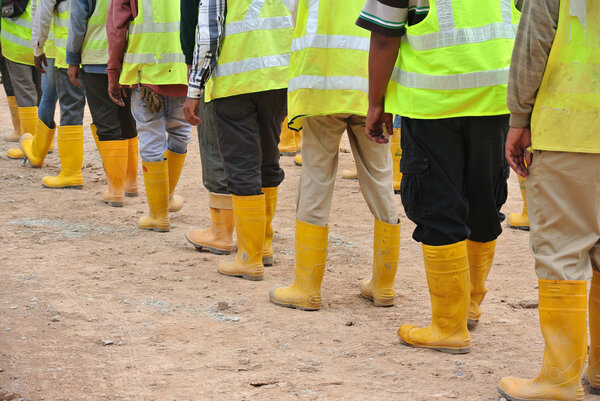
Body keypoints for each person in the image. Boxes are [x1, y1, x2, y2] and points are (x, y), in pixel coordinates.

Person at [358, 0, 521, 353]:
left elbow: (385, 37)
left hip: (433, 103)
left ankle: (449, 324)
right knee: (485, 201)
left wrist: (376, 101)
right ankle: (470, 306)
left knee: (436, 206)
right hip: (497, 98)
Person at [269, 0, 400, 311]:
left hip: (321, 81)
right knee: (380, 178)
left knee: (316, 175)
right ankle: (384, 285)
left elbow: (290, 13)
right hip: (371, 84)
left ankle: (307, 287)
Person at [497, 1, 599, 400]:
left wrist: (519, 117)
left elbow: (533, 43)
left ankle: (559, 379)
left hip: (572, 124)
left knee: (562, 251)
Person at [183, 0, 293, 280]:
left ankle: (249, 257)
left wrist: (195, 88)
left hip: (235, 82)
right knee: (268, 159)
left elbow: (209, 32)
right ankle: (263, 246)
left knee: (242, 166)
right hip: (278, 76)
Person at [107, 0, 191, 231]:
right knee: (180, 134)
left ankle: (158, 213)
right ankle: (167, 198)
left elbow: (117, 30)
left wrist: (114, 73)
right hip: (182, 71)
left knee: (151, 140)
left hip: (146, 74)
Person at [64, 0, 139, 207]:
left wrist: (72, 58)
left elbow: (77, 20)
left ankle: (115, 190)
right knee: (127, 117)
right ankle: (131, 184)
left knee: (105, 121)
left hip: (97, 57)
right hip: (130, 56)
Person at [179, 0, 234, 255]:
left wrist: (195, 83)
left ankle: (221, 232)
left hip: (224, 73)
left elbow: (202, 27)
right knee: (260, 158)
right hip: (270, 76)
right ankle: (260, 240)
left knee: (215, 151)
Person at [26, 0, 88, 189]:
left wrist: (38, 47)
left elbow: (41, 11)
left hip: (65, 51)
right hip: (98, 53)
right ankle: (122, 182)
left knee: (66, 106)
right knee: (104, 112)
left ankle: (69, 172)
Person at [19, 9, 61, 168]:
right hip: (88, 50)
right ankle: (121, 178)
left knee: (48, 98)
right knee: (77, 107)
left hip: (54, 47)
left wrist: (38, 48)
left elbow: (39, 15)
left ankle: (38, 153)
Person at [1, 0, 42, 159]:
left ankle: (30, 144)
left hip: (17, 45)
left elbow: (8, 9)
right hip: (41, 44)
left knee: (25, 94)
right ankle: (43, 141)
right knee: (40, 92)